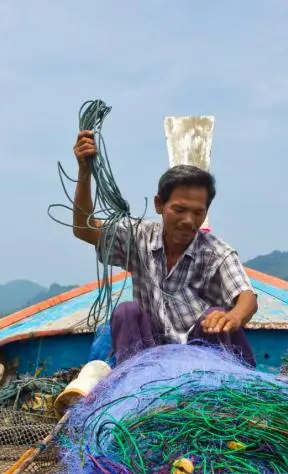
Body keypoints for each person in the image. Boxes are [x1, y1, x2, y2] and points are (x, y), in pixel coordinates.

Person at [70, 129, 259, 366]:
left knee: (214, 318)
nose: (189, 220)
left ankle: (213, 392)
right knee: (126, 312)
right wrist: (84, 171)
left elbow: (247, 298)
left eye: (198, 212)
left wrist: (233, 317)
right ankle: (138, 386)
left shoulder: (216, 253)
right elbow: (84, 229)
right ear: (159, 205)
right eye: (179, 210)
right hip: (153, 355)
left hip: (204, 357)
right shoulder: (139, 237)